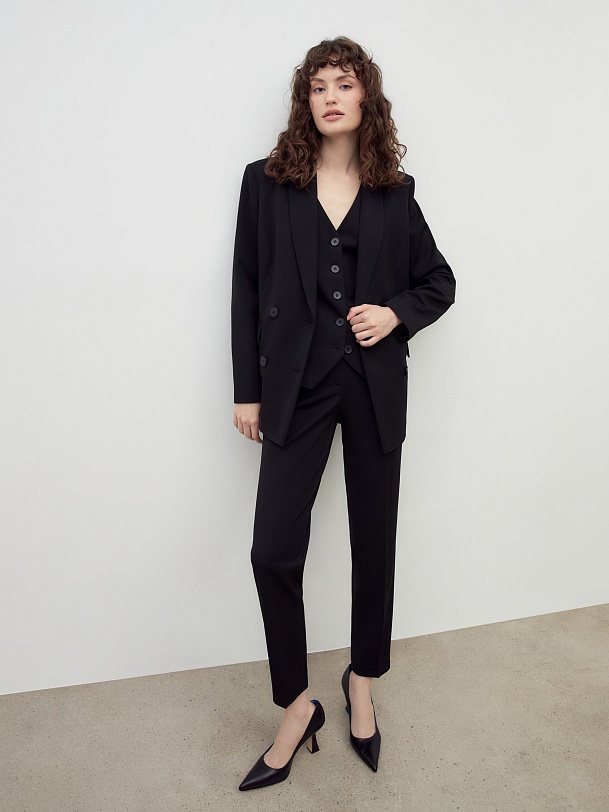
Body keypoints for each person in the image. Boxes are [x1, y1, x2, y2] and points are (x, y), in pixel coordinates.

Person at [231, 36, 456, 790]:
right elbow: (245, 286)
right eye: (319, 85)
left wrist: (393, 314)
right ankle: (297, 706)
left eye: (345, 83)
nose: (331, 96)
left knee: (373, 543)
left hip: (371, 387)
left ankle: (362, 681)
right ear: (306, 100)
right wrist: (248, 391)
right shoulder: (266, 183)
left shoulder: (395, 191)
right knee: (272, 551)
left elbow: (439, 280)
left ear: (366, 98)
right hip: (294, 388)